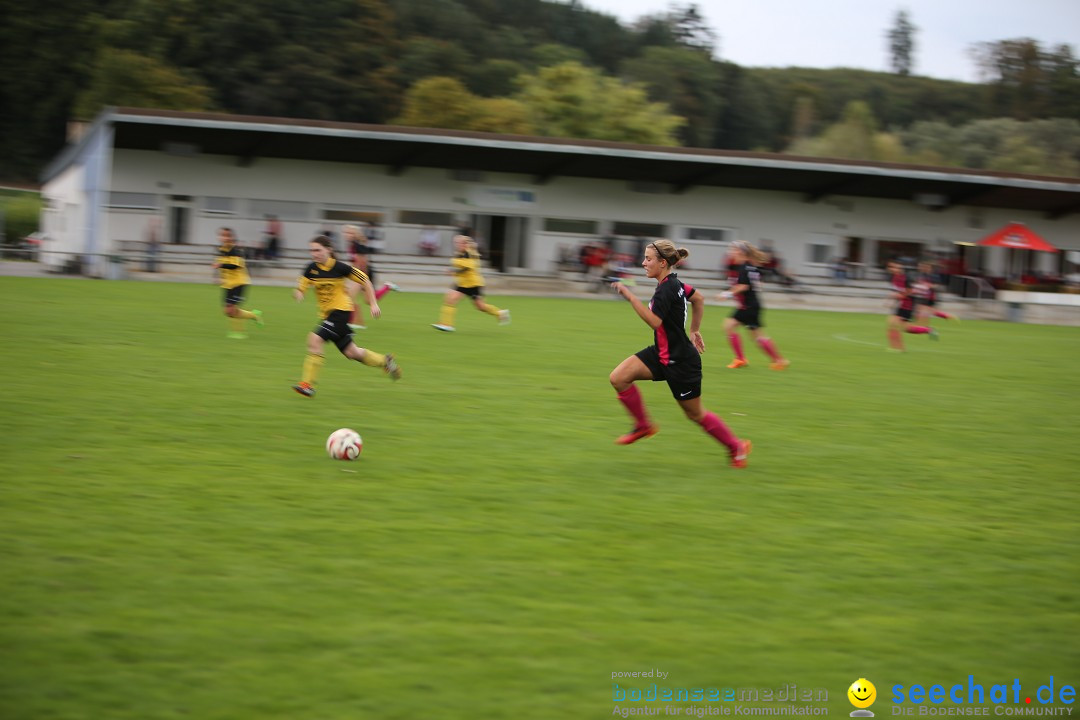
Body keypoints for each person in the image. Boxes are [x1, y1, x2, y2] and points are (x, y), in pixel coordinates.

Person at [608, 239, 751, 467]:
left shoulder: (666, 290)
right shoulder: (674, 283)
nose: (643, 263)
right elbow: (698, 297)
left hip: (681, 362)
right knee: (618, 377)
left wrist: (631, 297)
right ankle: (643, 426)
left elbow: (655, 322)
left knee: (695, 415)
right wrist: (694, 330)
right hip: (661, 354)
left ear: (662, 263)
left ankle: (737, 447)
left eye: (648, 259)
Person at [292, 235, 400, 397]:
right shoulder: (310, 269)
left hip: (341, 312)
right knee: (352, 353)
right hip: (329, 315)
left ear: (329, 250)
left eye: (318, 250)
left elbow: (365, 280)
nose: (314, 254)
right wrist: (299, 293)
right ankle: (385, 361)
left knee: (314, 339)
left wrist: (373, 303)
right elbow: (302, 286)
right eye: (312, 250)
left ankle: (308, 385)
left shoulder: (340, 267)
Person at [715, 241, 789, 370]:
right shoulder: (748, 266)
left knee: (752, 334)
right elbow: (756, 284)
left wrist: (726, 294)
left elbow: (744, 286)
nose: (731, 252)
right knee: (731, 327)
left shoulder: (744, 267)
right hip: (748, 305)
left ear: (741, 252)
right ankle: (744, 359)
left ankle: (778, 360)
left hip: (749, 306)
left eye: (733, 250)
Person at [432, 230, 510, 331]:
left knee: (480, 306)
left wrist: (452, 271)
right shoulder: (460, 253)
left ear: (464, 244)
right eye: (456, 243)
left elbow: (467, 268)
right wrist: (454, 271)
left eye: (458, 243)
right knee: (450, 299)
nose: (456, 245)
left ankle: (500, 313)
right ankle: (446, 324)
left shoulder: (469, 253)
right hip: (463, 283)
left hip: (473, 284)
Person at [342, 224, 399, 330]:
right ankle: (387, 287)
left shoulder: (358, 245)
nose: (346, 234)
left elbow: (363, 263)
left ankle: (350, 322)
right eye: (345, 232)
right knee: (368, 301)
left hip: (364, 274)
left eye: (349, 232)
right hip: (358, 274)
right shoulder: (352, 245)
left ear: (355, 234)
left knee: (349, 297)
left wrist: (361, 280)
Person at [212, 227, 263, 339]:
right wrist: (217, 276)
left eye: (227, 235)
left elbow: (235, 265)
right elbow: (220, 265)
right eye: (222, 235)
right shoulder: (221, 250)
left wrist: (221, 265)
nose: (224, 237)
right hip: (227, 283)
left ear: (231, 237)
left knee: (232, 308)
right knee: (227, 311)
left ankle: (238, 332)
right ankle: (254, 315)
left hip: (239, 282)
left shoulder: (235, 250)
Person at [886, 258, 937, 351]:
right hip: (901, 304)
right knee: (906, 328)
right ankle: (928, 330)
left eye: (893, 267)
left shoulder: (905, 278)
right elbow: (897, 291)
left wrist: (900, 296)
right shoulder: (893, 277)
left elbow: (910, 291)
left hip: (907, 305)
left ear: (899, 267)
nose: (891, 268)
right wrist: (892, 300)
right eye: (890, 266)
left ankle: (898, 348)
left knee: (893, 324)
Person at [913, 260, 957, 325]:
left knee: (923, 310)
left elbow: (937, 285)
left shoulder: (933, 276)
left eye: (925, 267)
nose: (923, 268)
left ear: (929, 268)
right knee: (927, 311)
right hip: (922, 296)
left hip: (930, 297)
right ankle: (948, 316)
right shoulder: (921, 275)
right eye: (922, 267)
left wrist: (929, 285)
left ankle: (924, 326)